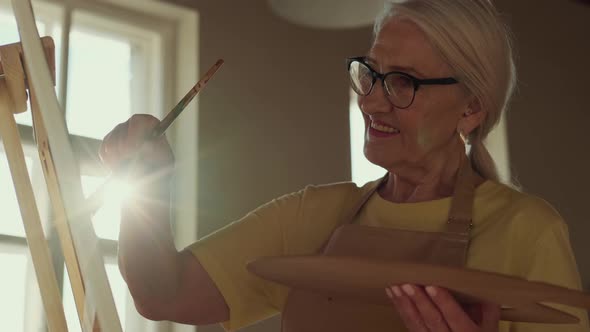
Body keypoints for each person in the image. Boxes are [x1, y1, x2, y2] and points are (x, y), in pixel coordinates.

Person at [99, 0, 589, 331]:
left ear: (472, 108)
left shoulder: (527, 230)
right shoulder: (310, 215)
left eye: (403, 82)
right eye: (371, 74)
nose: (372, 102)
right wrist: (143, 181)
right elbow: (163, 293)